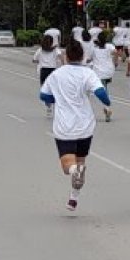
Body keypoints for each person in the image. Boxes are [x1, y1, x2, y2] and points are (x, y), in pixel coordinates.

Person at [39, 40, 111, 212]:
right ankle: (73, 198)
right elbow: (101, 93)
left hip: (64, 126)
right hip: (85, 125)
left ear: (66, 56)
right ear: (83, 56)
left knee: (68, 166)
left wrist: (58, 99)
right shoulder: (88, 73)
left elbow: (44, 95)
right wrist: (107, 103)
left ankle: (74, 172)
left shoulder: (57, 75)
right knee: (81, 162)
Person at [33, 34, 63, 117]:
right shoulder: (55, 50)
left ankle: (48, 106)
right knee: (54, 89)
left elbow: (34, 60)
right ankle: (56, 106)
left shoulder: (40, 50)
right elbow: (61, 57)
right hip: (53, 71)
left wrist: (41, 61)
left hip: (44, 71)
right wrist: (62, 64)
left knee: (45, 90)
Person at [91, 31, 117, 122]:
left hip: (99, 73)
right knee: (105, 87)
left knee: (103, 90)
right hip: (109, 71)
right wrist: (115, 61)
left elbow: (89, 58)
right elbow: (116, 53)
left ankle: (107, 108)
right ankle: (106, 107)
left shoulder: (94, 48)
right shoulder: (109, 46)